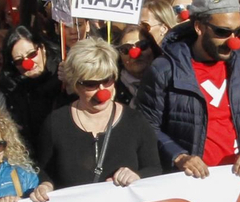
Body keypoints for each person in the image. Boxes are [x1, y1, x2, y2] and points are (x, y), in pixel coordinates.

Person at [134, 0, 240, 179]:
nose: (232, 41)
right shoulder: (165, 69)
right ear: (199, 27)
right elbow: (147, 126)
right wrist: (179, 156)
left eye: (237, 31)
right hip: (193, 182)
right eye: (222, 32)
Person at [38, 37, 162, 190]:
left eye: (107, 80)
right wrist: (45, 185)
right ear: (76, 84)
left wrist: (138, 176)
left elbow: (155, 170)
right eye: (91, 84)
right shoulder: (56, 124)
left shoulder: (136, 122)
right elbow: (43, 172)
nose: (102, 91)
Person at [1, 27, 70, 143]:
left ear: (42, 48)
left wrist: (71, 85)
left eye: (32, 54)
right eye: (19, 61)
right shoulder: (13, 90)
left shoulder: (62, 77)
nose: (28, 64)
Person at [115, 26, 159, 102]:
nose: (135, 54)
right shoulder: (114, 88)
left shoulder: (166, 81)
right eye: (125, 49)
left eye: (142, 45)